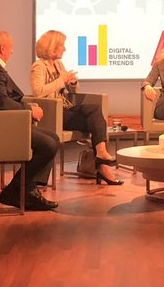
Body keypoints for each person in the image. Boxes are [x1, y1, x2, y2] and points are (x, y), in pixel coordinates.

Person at [0, 30, 60, 211]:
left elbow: (2, 98)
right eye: (11, 47)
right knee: (48, 144)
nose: (12, 51)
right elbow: (0, 103)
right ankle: (18, 191)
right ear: (2, 49)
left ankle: (25, 189)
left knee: (53, 138)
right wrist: (29, 109)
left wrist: (26, 106)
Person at [29, 30, 121, 185]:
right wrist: (61, 81)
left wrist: (72, 83)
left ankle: (101, 158)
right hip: (52, 112)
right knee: (94, 117)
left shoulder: (58, 65)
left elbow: (72, 90)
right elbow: (37, 91)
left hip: (64, 108)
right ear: (52, 47)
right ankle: (102, 164)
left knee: (95, 114)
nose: (64, 49)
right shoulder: (38, 66)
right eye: (62, 46)